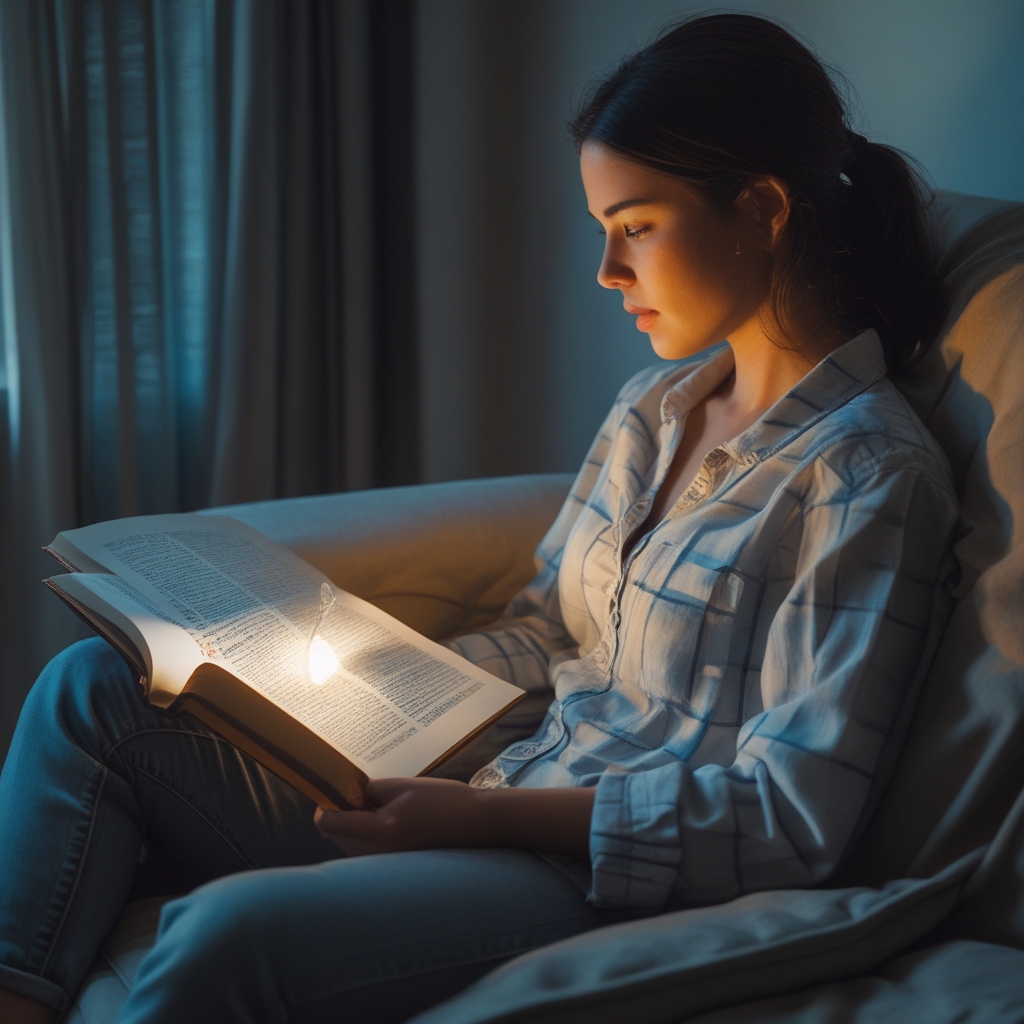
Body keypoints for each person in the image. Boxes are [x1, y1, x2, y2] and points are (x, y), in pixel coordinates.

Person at [0, 13, 959, 1024]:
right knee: (93, 687)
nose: (606, 271)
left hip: (594, 866)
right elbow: (548, 629)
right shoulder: (653, 408)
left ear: (762, 209)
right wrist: (353, 686)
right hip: (502, 770)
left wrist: (485, 813)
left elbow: (791, 814)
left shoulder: (867, 477)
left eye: (633, 226)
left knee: (222, 934)